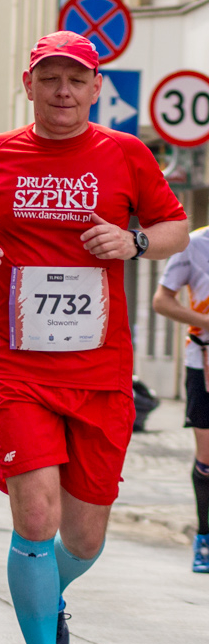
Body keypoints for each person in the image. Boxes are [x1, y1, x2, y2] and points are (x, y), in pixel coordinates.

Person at [0, 30, 186, 644]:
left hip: (101, 370)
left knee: (83, 536)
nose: (63, 91)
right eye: (50, 78)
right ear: (29, 84)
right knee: (36, 514)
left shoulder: (126, 153)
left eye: (76, 79)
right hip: (17, 365)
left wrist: (134, 240)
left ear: (95, 87)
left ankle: (50, 597)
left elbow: (174, 226)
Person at [150, 226, 209, 572]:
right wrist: (204, 321)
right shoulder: (193, 245)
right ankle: (204, 538)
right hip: (203, 361)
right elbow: (161, 300)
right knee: (206, 454)